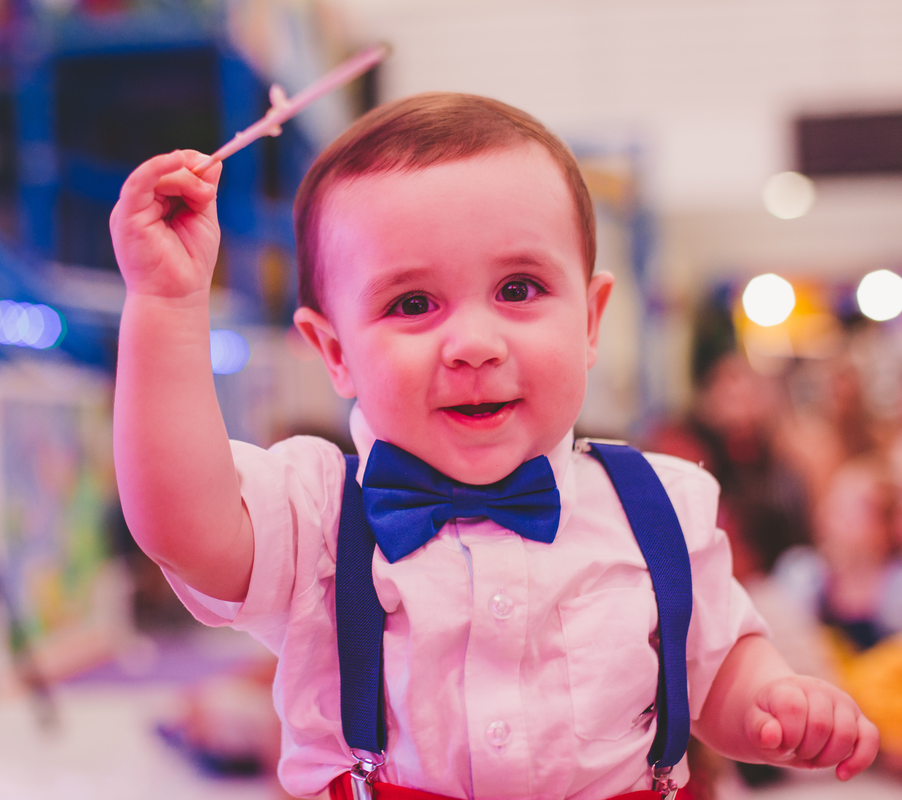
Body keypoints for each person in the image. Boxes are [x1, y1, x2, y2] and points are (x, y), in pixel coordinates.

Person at [109, 93, 879, 799]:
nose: (474, 343)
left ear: (590, 320)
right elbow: (182, 523)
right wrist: (167, 304)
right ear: (335, 351)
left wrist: (772, 702)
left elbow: (717, 667)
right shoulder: (316, 513)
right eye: (413, 302)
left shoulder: (661, 506)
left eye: (518, 289)